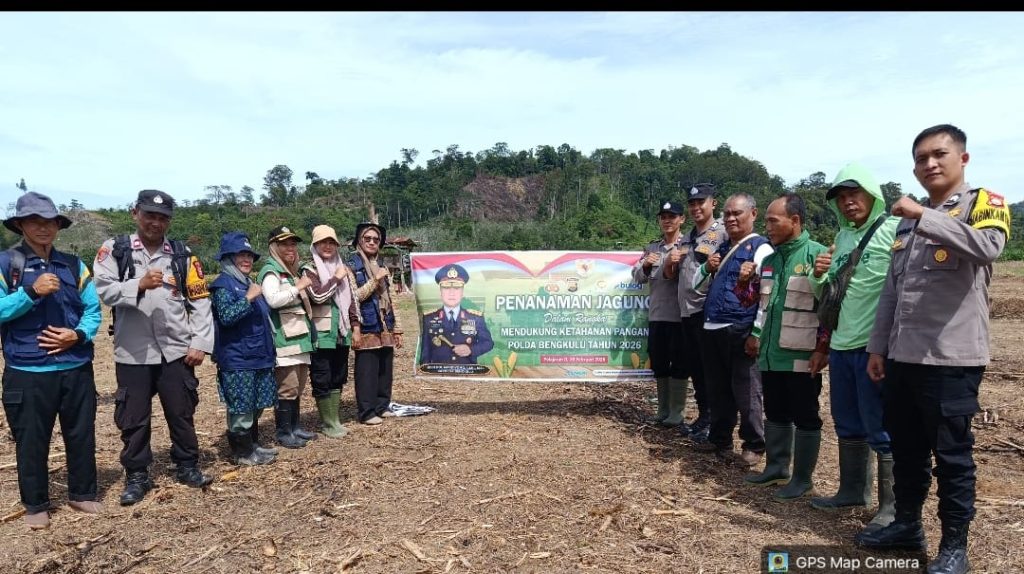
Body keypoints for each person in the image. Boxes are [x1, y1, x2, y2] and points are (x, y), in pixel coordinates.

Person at [857, 125, 1011, 574]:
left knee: (952, 455)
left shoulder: (983, 204)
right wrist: (878, 347)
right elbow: (892, 291)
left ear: (962, 159)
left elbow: (987, 249)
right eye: (921, 158)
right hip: (904, 357)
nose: (930, 164)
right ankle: (907, 524)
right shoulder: (909, 219)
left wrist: (927, 217)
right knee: (906, 448)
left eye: (939, 154)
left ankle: (954, 545)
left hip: (951, 359)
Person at [94, 189, 214, 506]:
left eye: (162, 218)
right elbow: (105, 291)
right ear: (136, 213)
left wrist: (200, 342)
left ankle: (187, 465)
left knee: (182, 410)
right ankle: (137, 476)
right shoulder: (114, 250)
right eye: (150, 215)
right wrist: (139, 285)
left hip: (176, 349)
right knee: (133, 418)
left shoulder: (182, 254)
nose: (155, 222)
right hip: (132, 352)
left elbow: (200, 301)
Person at [0, 192, 103, 529]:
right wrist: (30, 293)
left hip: (75, 366)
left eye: (50, 222)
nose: (43, 228)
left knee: (81, 433)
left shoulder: (75, 265)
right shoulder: (6, 265)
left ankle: (83, 493)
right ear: (20, 225)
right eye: (35, 221)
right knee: (31, 438)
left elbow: (92, 309)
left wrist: (78, 335)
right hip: (27, 370)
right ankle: (35, 505)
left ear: (58, 226)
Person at [808, 163, 899, 532]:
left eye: (855, 195)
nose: (848, 203)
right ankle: (852, 491)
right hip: (842, 344)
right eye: (842, 198)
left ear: (873, 196)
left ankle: (892, 507)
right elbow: (828, 294)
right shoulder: (841, 238)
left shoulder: (895, 230)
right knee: (847, 421)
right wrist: (818, 274)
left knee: (881, 426)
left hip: (874, 345)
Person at [740, 193, 828, 500]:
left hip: (802, 356)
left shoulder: (817, 256)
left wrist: (822, 349)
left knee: (805, 415)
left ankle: (802, 479)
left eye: (773, 221)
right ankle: (777, 468)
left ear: (795, 221)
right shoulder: (770, 260)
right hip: (770, 353)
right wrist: (744, 283)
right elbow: (757, 303)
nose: (768, 227)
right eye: (766, 221)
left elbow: (828, 309)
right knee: (775, 412)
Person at [691, 193, 773, 466]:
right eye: (726, 214)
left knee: (747, 389)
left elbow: (766, 296)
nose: (730, 218)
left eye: (737, 213)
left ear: (753, 214)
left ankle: (754, 444)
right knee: (718, 388)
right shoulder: (722, 248)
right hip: (712, 325)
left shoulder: (761, 249)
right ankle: (720, 439)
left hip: (740, 328)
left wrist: (757, 333)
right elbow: (695, 286)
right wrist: (706, 268)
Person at [209, 232, 277, 466]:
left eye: (249, 255)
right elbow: (226, 317)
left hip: (259, 355)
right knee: (241, 406)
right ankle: (242, 453)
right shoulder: (223, 285)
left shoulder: (247, 283)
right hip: (238, 358)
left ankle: (253, 445)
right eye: (241, 255)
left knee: (256, 403)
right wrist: (248, 299)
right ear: (228, 258)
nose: (247, 259)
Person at [664, 183, 725, 442]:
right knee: (697, 370)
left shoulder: (722, 232)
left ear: (714, 203)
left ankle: (717, 422)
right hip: (687, 312)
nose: (696, 207)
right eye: (692, 203)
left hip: (708, 311)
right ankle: (704, 416)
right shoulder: (688, 237)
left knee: (713, 371)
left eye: (701, 202)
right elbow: (675, 274)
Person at [256, 226, 317, 449]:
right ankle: (283, 432)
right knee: (287, 387)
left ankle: (295, 427)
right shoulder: (271, 271)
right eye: (284, 244)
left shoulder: (291, 271)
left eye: (293, 244)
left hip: (299, 337)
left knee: (298, 386)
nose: (290, 248)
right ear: (274, 247)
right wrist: (297, 288)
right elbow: (272, 300)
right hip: (284, 339)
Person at [633, 201, 686, 426]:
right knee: (660, 364)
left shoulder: (688, 246)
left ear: (681, 219)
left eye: (672, 216)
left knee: (680, 364)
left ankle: (677, 412)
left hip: (680, 316)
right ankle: (663, 410)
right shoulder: (652, 248)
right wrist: (645, 265)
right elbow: (637, 276)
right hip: (657, 316)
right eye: (663, 217)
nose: (667, 221)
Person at [347, 222, 403, 425]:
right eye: (367, 239)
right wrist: (374, 280)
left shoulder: (382, 265)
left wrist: (397, 328)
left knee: (384, 369)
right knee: (367, 371)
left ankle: (382, 405)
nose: (372, 242)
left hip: (384, 323)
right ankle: (367, 411)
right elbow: (354, 297)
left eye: (376, 239)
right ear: (359, 241)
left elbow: (391, 298)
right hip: (366, 324)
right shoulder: (351, 266)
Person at [302, 224, 354, 439]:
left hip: (341, 333)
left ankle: (335, 419)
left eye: (332, 242)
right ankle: (327, 422)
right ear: (315, 245)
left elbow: (351, 301)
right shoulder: (309, 269)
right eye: (323, 242)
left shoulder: (341, 266)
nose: (328, 246)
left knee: (338, 375)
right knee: (322, 376)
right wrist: (336, 278)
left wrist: (355, 325)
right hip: (322, 333)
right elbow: (318, 296)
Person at [419, 263, 493, 365]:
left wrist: (471, 350)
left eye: (457, 288)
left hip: (467, 372)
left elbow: (488, 343)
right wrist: (425, 371)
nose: (451, 293)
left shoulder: (475, 317)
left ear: (462, 292)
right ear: (440, 291)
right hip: (439, 372)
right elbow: (426, 350)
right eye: (446, 288)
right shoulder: (429, 317)